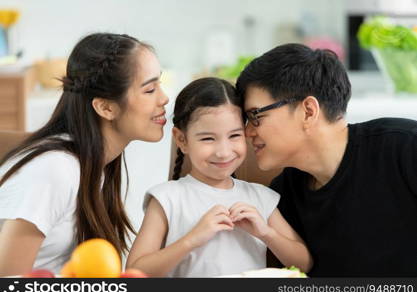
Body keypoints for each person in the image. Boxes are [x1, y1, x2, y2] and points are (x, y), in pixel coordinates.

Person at [236, 43, 417, 277]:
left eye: (255, 116)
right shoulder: (284, 193)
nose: (248, 131)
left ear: (309, 111)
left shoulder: (404, 148)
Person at [0, 33, 169, 276]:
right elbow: (9, 283)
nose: (164, 98)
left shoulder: (95, 164)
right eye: (150, 89)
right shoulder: (54, 170)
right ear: (106, 107)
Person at [126, 77, 312, 277]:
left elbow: (305, 263)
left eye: (234, 136)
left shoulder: (261, 197)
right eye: (208, 138)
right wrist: (192, 239)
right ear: (182, 139)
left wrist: (266, 233)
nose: (223, 152)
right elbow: (135, 272)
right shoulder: (167, 198)